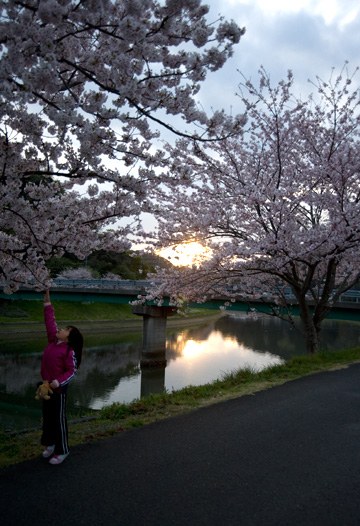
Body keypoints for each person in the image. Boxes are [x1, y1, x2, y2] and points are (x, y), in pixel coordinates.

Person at [40, 289, 83, 465]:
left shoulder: (68, 350)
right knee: (47, 417)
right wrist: (47, 303)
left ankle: (62, 450)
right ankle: (49, 444)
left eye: (65, 330)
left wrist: (58, 382)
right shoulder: (53, 341)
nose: (61, 328)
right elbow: (50, 323)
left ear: (68, 339)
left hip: (58, 389)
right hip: (45, 386)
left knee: (58, 419)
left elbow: (72, 371)